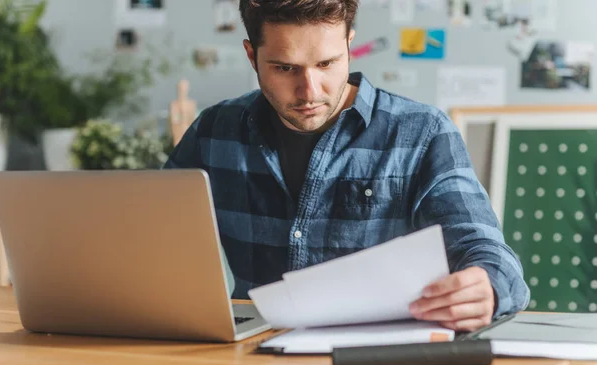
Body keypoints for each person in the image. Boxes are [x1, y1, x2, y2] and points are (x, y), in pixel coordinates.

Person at [163, 0, 530, 332]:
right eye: (285, 67)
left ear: (349, 46)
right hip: (242, 355)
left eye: (326, 64)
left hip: (373, 358)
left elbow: (483, 245)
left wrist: (488, 286)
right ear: (251, 55)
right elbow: (154, 236)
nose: (309, 91)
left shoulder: (422, 133)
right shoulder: (215, 130)